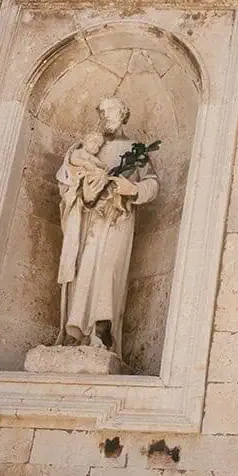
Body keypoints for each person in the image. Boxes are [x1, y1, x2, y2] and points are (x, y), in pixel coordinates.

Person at [54, 97, 158, 352]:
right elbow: (66, 181)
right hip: (87, 220)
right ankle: (75, 331)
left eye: (110, 111)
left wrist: (132, 188)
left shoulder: (137, 150)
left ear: (123, 114)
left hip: (117, 219)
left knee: (109, 269)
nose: (105, 116)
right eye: (101, 112)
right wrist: (83, 190)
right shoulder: (86, 149)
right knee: (83, 268)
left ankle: (103, 331)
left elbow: (153, 184)